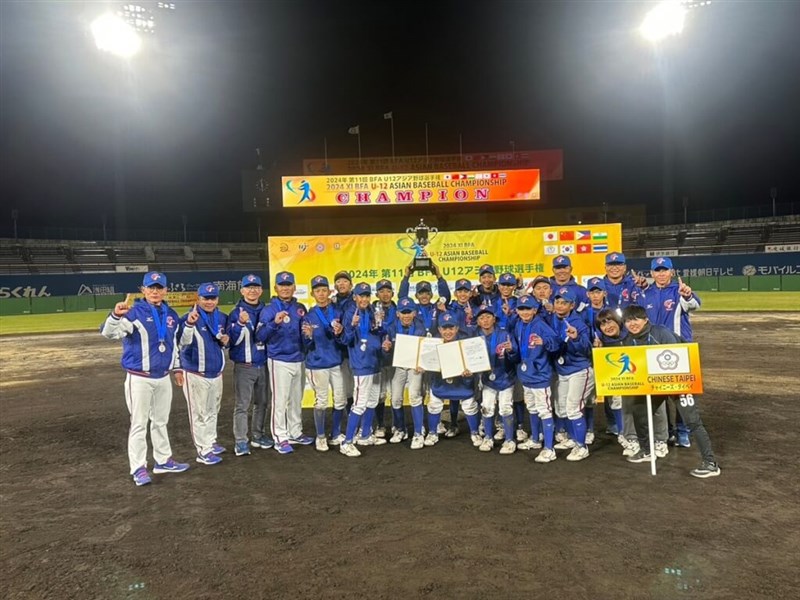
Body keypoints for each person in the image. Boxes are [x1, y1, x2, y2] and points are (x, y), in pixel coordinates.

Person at [101, 271, 190, 486]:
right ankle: (138, 467)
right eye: (151, 287)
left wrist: (177, 369)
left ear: (166, 290)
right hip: (139, 377)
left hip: (162, 377)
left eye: (159, 287)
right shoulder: (133, 312)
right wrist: (115, 315)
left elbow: (173, 346)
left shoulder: (171, 315)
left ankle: (162, 460)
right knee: (139, 423)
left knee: (161, 421)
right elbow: (108, 333)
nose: (155, 291)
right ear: (143, 289)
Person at [621, 305, 721, 478]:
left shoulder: (661, 333)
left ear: (645, 320)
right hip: (655, 383)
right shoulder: (629, 340)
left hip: (679, 380)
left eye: (636, 319)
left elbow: (679, 358)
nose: (632, 324)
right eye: (628, 320)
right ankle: (646, 450)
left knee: (692, 420)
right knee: (639, 410)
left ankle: (710, 463)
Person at [639, 256, 701, 448]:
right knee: (658, 393)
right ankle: (667, 431)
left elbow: (694, 305)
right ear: (652, 273)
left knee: (681, 394)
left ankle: (683, 432)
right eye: (657, 270)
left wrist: (688, 295)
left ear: (672, 272)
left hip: (678, 348)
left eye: (665, 270)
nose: (661, 273)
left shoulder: (679, 290)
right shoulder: (645, 293)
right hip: (653, 349)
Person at [257, 271, 314, 455]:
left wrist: (308, 336)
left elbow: (305, 337)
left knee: (296, 399)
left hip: (299, 358)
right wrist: (274, 323)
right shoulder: (269, 309)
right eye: (282, 285)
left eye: (288, 284)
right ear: (275, 288)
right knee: (280, 401)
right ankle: (280, 436)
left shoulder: (300, 308)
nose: (285, 288)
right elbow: (260, 336)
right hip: (279, 359)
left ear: (294, 287)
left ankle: (295, 432)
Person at [177, 282, 228, 466]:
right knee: (199, 413)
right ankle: (203, 450)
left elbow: (224, 342)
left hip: (216, 372)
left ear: (217, 299)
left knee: (213, 409)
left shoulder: (221, 317)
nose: (209, 302)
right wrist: (190, 323)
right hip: (195, 372)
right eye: (205, 298)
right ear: (198, 298)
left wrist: (225, 340)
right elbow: (182, 342)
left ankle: (211, 441)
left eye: (212, 298)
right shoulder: (188, 318)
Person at [339, 282, 392, 457]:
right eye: (361, 296)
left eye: (367, 295)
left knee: (372, 402)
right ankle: (347, 442)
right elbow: (344, 340)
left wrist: (383, 337)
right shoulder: (349, 314)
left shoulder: (371, 312)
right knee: (359, 404)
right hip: (361, 365)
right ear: (354, 297)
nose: (364, 299)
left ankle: (365, 434)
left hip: (375, 361)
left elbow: (377, 332)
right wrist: (352, 326)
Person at [512, 295, 561, 463]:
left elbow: (556, 344)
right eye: (521, 309)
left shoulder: (540, 325)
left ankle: (549, 448)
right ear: (517, 311)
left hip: (540, 375)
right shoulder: (519, 324)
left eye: (528, 309)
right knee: (532, 408)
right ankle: (535, 439)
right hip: (527, 374)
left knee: (544, 410)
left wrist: (545, 342)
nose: (524, 312)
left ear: (534, 310)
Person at [547, 287, 593, 462]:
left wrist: (575, 338)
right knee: (562, 408)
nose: (559, 305)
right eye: (557, 302)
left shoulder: (578, 323)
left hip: (580, 370)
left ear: (572, 305)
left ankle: (582, 447)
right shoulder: (553, 319)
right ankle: (573, 439)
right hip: (563, 370)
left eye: (564, 302)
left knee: (573, 408)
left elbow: (587, 350)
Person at [423, 311, 482, 448]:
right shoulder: (432, 344)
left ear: (456, 328)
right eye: (444, 328)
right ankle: (432, 433)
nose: (448, 331)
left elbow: (475, 363)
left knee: (469, 405)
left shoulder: (466, 343)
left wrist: (470, 372)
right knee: (434, 404)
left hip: (462, 382)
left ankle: (474, 432)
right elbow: (428, 364)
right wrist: (422, 365)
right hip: (440, 381)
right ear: (439, 329)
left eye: (451, 328)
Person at [227, 274, 271, 457]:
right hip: (244, 365)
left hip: (264, 364)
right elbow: (231, 342)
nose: (252, 290)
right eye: (248, 287)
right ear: (242, 290)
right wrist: (240, 323)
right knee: (242, 404)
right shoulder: (236, 313)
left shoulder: (267, 311)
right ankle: (241, 441)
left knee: (262, 402)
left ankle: (257, 435)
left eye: (256, 287)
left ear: (261, 290)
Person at [302, 275, 347, 452]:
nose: (321, 294)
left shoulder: (337, 312)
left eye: (323, 290)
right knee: (321, 402)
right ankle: (320, 437)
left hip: (336, 362)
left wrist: (340, 332)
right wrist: (308, 337)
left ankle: (335, 434)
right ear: (313, 293)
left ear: (329, 292)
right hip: (317, 364)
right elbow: (306, 344)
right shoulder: (308, 316)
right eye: (317, 291)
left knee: (340, 400)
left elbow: (343, 339)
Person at [475, 304, 519, 454]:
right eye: (481, 318)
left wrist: (511, 351)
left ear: (494, 319)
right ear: (478, 321)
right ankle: (488, 437)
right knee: (486, 406)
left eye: (488, 317)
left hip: (506, 377)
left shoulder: (504, 334)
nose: (485, 320)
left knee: (505, 407)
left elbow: (516, 357)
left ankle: (509, 439)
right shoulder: (475, 338)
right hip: (488, 378)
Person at [387, 297, 427, 448]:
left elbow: (425, 350)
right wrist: (386, 349)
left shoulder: (420, 328)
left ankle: (418, 433)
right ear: (397, 313)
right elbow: (387, 352)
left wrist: (421, 363)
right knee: (396, 398)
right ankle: (400, 429)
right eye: (403, 312)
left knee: (414, 397)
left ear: (414, 313)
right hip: (398, 366)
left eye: (409, 312)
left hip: (414, 366)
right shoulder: (391, 327)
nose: (406, 315)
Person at [372, 278, 397, 438]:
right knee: (380, 394)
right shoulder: (371, 309)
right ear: (377, 293)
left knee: (395, 394)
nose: (385, 294)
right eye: (382, 291)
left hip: (396, 357)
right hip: (378, 358)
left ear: (392, 293)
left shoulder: (400, 308)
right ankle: (380, 425)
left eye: (388, 291)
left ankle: (396, 425)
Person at [332, 270, 356, 411]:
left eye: (345, 281)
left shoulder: (358, 300)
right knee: (346, 390)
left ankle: (364, 426)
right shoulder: (331, 303)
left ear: (351, 285)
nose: (341, 284)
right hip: (339, 352)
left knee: (359, 389)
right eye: (338, 281)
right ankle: (350, 423)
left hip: (355, 350)